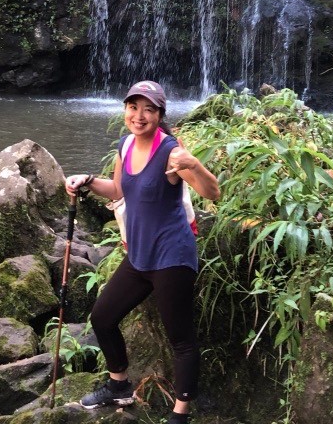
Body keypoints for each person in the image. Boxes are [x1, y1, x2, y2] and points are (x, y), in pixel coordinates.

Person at [65, 80, 221, 424]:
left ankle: (181, 413)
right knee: (102, 318)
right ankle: (119, 385)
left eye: (148, 109)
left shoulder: (171, 152)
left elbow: (213, 193)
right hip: (139, 256)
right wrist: (88, 180)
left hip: (172, 256)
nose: (139, 115)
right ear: (125, 111)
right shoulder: (125, 145)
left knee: (180, 338)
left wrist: (193, 164)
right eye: (133, 107)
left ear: (160, 114)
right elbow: (119, 188)